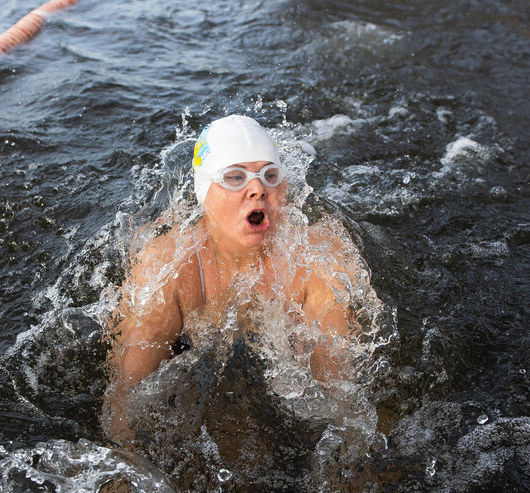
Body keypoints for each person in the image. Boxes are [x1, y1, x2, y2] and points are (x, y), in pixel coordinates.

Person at [104, 115, 359, 444]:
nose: (257, 190)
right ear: (204, 194)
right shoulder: (167, 269)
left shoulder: (320, 259)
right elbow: (125, 401)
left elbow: (345, 397)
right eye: (235, 178)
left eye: (270, 175)